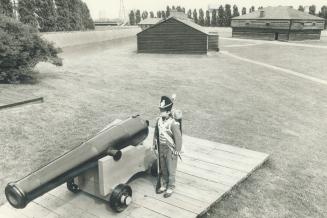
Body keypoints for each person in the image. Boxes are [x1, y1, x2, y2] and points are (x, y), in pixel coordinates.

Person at [153, 95, 182, 198]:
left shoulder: (173, 124)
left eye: (163, 110)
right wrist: (154, 145)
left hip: (170, 149)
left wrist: (177, 150)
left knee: (171, 169)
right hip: (161, 148)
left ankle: (170, 187)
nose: (160, 111)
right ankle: (164, 184)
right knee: (163, 168)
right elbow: (156, 133)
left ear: (168, 112)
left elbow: (178, 138)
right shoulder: (159, 121)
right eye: (160, 109)